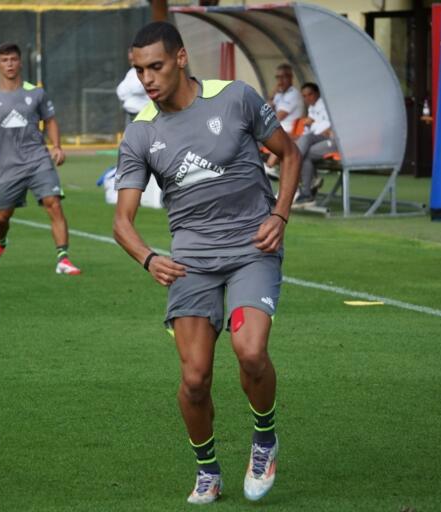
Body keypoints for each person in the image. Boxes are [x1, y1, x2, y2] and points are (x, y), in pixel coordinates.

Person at [113, 22, 300, 504]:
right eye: (139, 70)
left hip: (251, 248)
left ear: (180, 58)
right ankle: (208, 469)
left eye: (155, 66)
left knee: (250, 352)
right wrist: (148, 258)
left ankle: (264, 438)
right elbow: (122, 222)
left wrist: (279, 214)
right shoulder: (141, 133)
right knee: (195, 379)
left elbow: (290, 154)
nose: (147, 79)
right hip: (192, 261)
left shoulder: (235, 97)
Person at [0, 43, 81, 275]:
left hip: (38, 160)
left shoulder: (36, 93)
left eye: (13, 59)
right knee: (1, 218)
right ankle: (0, 243)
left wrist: (57, 146)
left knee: (53, 203)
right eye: (5, 60)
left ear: (20, 62)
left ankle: (63, 259)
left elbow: (50, 120)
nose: (9, 64)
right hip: (8, 167)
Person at [291, 82, 335, 209]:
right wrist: (314, 125)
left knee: (305, 140)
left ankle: (292, 168)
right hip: (319, 140)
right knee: (305, 153)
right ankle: (306, 193)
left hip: (333, 140)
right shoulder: (312, 108)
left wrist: (312, 123)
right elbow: (315, 129)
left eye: (310, 94)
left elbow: (327, 128)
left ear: (317, 93)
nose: (307, 98)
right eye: (304, 96)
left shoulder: (326, 105)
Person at [264, 63, 304, 174]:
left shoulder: (293, 94)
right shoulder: (279, 94)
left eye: (283, 77)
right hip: (277, 129)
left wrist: (263, 123)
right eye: (277, 77)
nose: (280, 81)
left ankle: (269, 166)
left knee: (278, 136)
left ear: (290, 77)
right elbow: (265, 110)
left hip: (290, 131)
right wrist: (272, 95)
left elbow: (278, 117)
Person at [116, 49, 151, 124]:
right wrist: (130, 88)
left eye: (133, 59)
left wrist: (128, 88)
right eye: (130, 60)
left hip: (144, 116)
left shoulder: (148, 71)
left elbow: (137, 89)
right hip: (130, 115)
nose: (132, 62)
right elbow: (120, 92)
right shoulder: (131, 72)